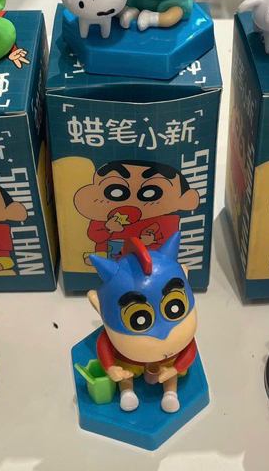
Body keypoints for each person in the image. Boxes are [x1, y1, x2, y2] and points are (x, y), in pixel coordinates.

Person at [87, 233, 198, 413]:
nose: (163, 334)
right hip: (129, 361)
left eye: (175, 307)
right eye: (138, 318)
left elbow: (190, 350)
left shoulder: (181, 344)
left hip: (170, 361)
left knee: (171, 374)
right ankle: (127, 392)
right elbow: (104, 344)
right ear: (97, 305)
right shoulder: (112, 333)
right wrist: (111, 368)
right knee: (125, 374)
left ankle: (170, 394)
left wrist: (174, 369)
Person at [74, 159, 199, 263]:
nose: (131, 199)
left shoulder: (165, 221)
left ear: (184, 199)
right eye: (115, 190)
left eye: (151, 192)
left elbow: (169, 245)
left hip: (147, 263)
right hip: (110, 259)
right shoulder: (103, 217)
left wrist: (150, 241)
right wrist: (108, 228)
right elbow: (94, 236)